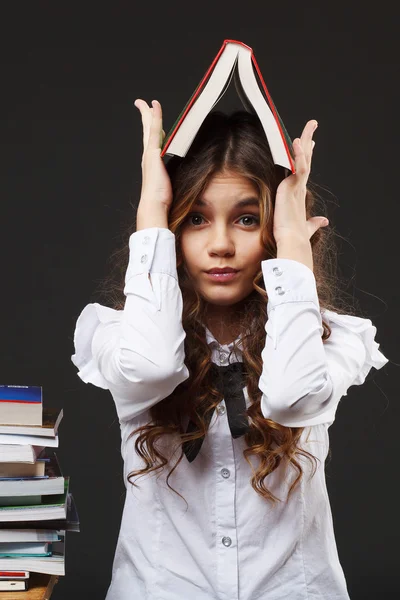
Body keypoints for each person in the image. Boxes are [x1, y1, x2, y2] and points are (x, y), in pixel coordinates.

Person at [71, 98, 388, 600]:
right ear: (172, 231)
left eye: (245, 219)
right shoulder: (120, 335)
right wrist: (151, 211)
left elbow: (291, 399)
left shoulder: (331, 338)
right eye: (195, 219)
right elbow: (152, 368)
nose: (220, 244)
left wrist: (292, 246)